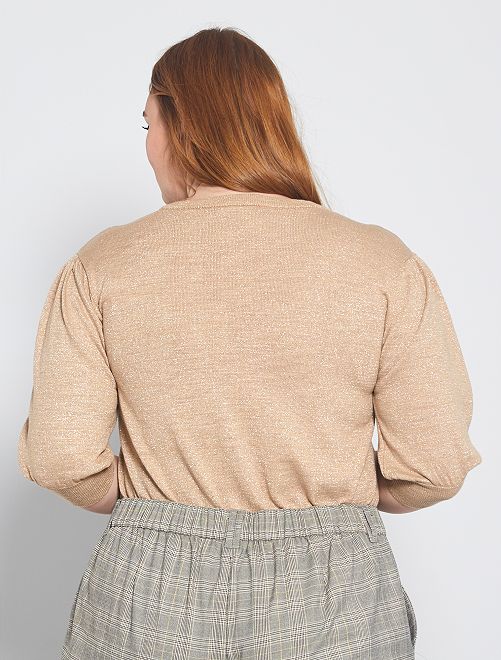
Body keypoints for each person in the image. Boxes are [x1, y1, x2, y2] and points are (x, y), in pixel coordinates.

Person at [18, 26, 481, 660]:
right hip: (334, 596)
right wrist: (333, 497)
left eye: (149, 123)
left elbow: (59, 456)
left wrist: (151, 501)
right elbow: (435, 465)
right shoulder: (383, 264)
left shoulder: (102, 266)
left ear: (183, 127)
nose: (147, 147)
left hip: (150, 594)